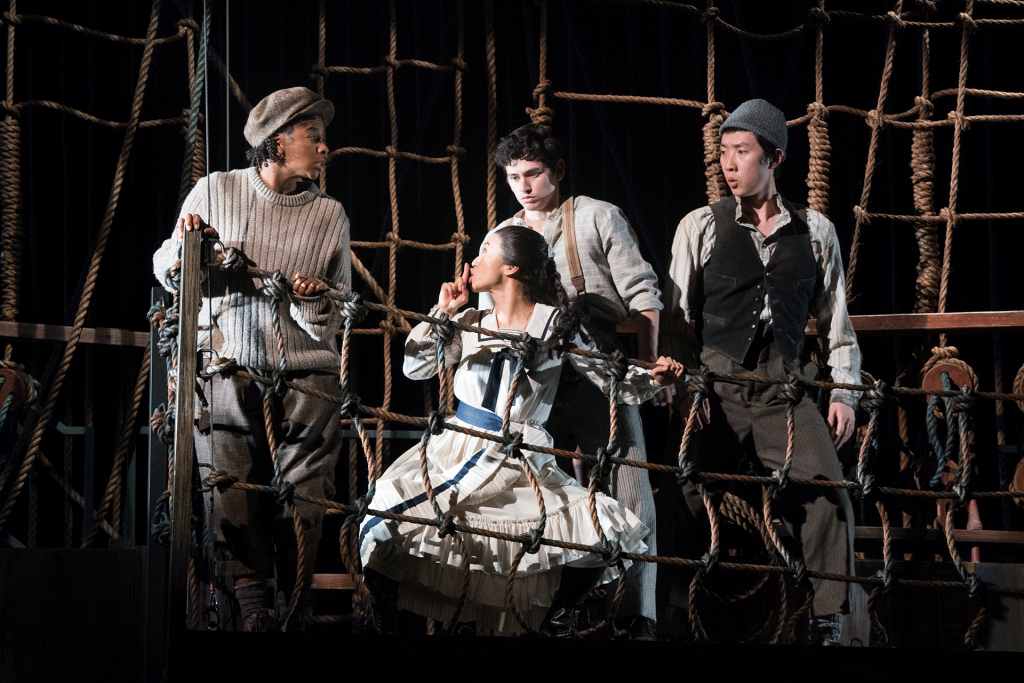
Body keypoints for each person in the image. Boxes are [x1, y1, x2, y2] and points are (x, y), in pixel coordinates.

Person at [359, 225, 683, 636]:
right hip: (457, 447)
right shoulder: (472, 320)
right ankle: (383, 617)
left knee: (608, 529)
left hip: (521, 455)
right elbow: (416, 366)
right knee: (383, 510)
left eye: (485, 250)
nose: (472, 261)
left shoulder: (558, 326)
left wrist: (655, 378)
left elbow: (612, 380)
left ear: (511, 266)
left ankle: (562, 620)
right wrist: (445, 312)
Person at [660, 99, 860, 645]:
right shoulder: (699, 225)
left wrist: (844, 392)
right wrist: (683, 386)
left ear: (774, 158)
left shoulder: (815, 231)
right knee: (685, 490)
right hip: (716, 382)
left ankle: (825, 621)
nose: (728, 164)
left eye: (741, 152)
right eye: (723, 153)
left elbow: (836, 323)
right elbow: (677, 326)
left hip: (784, 384)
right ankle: (677, 613)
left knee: (827, 495)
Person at [153, 86, 351, 632]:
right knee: (227, 485)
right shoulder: (215, 190)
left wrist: (311, 298)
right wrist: (192, 247)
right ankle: (249, 601)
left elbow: (333, 313)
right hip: (227, 362)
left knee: (306, 491)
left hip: (306, 371)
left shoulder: (329, 214)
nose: (324, 146)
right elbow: (167, 265)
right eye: (314, 136)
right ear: (277, 143)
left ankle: (294, 598)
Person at [478, 124, 665, 640]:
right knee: (534, 489)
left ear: (557, 171)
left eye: (534, 173)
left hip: (593, 368)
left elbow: (643, 293)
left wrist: (648, 365)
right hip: (532, 379)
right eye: (514, 176)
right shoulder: (501, 236)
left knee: (627, 481)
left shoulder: (596, 217)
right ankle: (549, 608)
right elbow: (487, 309)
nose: (524, 185)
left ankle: (635, 614)